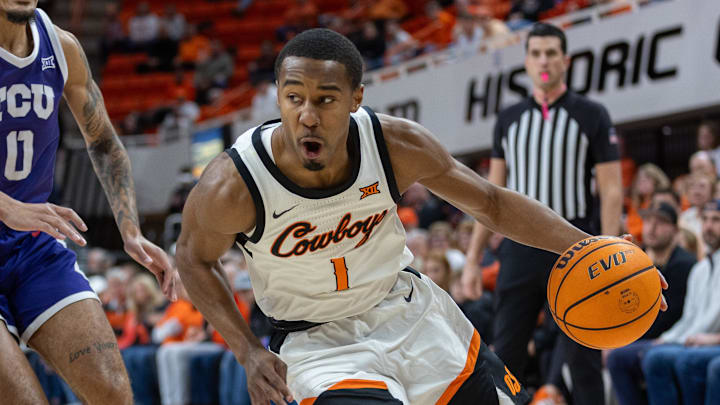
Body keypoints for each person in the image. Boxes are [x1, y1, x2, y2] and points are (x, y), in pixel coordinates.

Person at [176, 28, 665, 405]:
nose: (307, 114)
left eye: (325, 99)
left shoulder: (394, 144)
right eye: (294, 97)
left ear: (355, 99)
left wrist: (595, 248)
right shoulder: (234, 182)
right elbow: (192, 259)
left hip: (409, 311)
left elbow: (491, 202)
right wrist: (246, 348)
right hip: (318, 342)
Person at [0, 2, 176, 403]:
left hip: (32, 247)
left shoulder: (62, 46)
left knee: (113, 393)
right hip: (19, 219)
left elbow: (104, 142)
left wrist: (130, 229)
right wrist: (7, 206)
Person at [462, 22, 623, 405]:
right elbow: (490, 196)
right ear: (527, 62)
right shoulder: (508, 119)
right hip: (518, 248)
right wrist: (472, 259)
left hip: (577, 246)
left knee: (583, 357)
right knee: (507, 355)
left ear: (566, 60)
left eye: (551, 52)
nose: (543, 60)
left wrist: (611, 248)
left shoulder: (592, 114)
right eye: (535, 53)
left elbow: (613, 188)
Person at [605, 201, 695, 405]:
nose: (652, 228)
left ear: (674, 229)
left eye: (660, 222)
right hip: (645, 337)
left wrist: (624, 340)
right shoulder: (636, 258)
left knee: (618, 358)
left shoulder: (684, 264)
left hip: (668, 337)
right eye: (647, 220)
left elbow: (669, 317)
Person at [641, 200, 720, 405]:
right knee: (653, 357)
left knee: (691, 362)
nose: (709, 226)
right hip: (695, 339)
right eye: (706, 220)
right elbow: (689, 319)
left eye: (716, 220)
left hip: (711, 343)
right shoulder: (700, 269)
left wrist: (712, 339)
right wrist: (668, 339)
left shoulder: (686, 263)